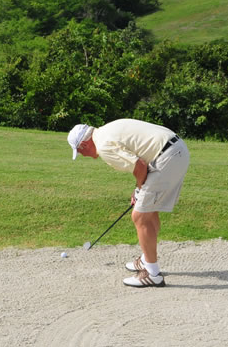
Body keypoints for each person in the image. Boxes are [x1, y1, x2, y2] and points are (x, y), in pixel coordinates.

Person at [68, 119, 190, 287]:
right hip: (177, 150)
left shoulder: (103, 146)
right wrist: (139, 190)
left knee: (140, 216)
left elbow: (140, 166)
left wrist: (139, 191)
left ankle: (152, 273)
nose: (83, 155)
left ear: (83, 145)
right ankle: (146, 259)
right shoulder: (106, 130)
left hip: (167, 157)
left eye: (80, 152)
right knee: (148, 211)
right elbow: (141, 164)